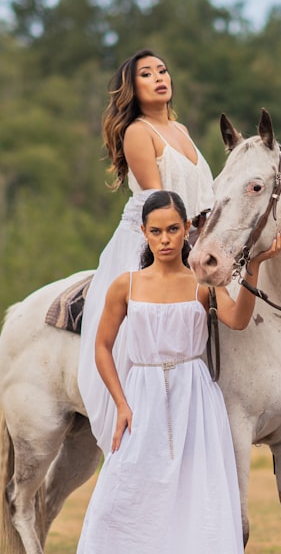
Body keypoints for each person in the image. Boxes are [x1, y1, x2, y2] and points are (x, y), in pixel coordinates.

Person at [50, 191, 281, 554]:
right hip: (141, 397)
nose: (164, 239)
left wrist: (252, 267)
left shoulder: (201, 283)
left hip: (195, 398)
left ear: (186, 231)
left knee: (199, 504)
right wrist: (120, 403)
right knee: (116, 505)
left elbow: (236, 319)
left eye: (173, 229)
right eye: (155, 231)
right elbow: (100, 347)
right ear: (144, 232)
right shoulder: (126, 285)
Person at [78, 48, 216, 454]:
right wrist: (185, 241)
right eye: (147, 74)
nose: (160, 77)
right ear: (132, 89)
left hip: (194, 234)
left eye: (163, 70)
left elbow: (203, 194)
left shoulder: (182, 129)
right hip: (157, 237)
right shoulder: (139, 132)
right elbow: (159, 204)